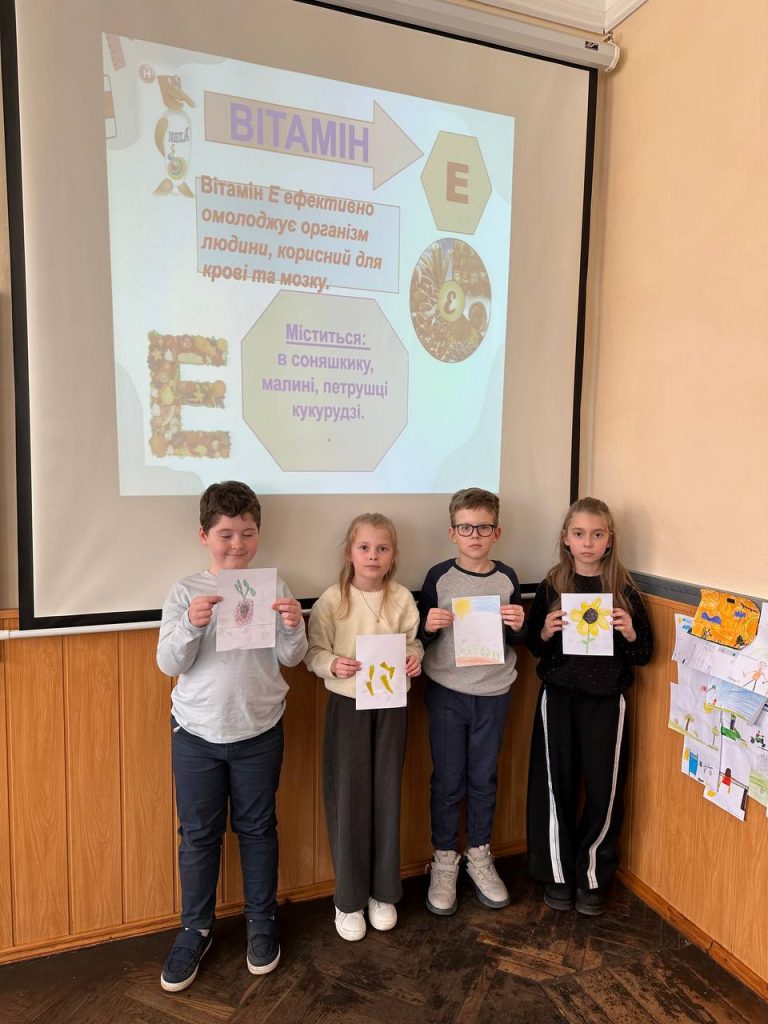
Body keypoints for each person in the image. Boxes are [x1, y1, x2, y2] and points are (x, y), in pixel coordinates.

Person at [156, 481, 307, 992]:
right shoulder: (185, 591)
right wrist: (191, 624)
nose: (237, 544)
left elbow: (291, 658)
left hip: (258, 730)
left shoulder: (275, 585)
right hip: (196, 732)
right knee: (198, 835)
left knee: (258, 828)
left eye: (247, 533)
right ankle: (194, 928)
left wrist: (292, 624)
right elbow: (168, 663)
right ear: (204, 536)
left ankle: (261, 921)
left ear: (258, 533)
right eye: (226, 534)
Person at [526, 496, 652, 916]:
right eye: (579, 534)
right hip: (558, 698)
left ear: (609, 540)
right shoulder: (552, 585)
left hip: (606, 700)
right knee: (554, 785)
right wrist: (545, 631)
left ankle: (593, 875)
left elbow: (644, 653)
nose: (587, 542)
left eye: (597, 534)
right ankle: (557, 873)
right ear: (566, 538)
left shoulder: (624, 590)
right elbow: (533, 646)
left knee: (604, 789)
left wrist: (630, 632)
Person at [305, 513, 423, 941]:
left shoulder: (402, 599)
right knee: (350, 800)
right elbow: (312, 652)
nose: (373, 556)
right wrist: (332, 664)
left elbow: (414, 642)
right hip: (348, 708)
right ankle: (349, 898)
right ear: (349, 553)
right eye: (365, 547)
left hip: (391, 708)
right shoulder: (332, 600)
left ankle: (383, 892)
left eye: (382, 548)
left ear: (393, 555)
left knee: (386, 796)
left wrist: (415, 658)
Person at [417, 488, 525, 915]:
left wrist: (519, 624)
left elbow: (518, 638)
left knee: (484, 778)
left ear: (497, 532)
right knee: (447, 781)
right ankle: (444, 859)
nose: (474, 535)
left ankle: (479, 854)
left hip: (494, 693)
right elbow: (420, 638)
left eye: (483, 527)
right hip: (447, 693)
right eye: (466, 527)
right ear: (453, 533)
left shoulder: (508, 578)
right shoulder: (438, 577)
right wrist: (427, 626)